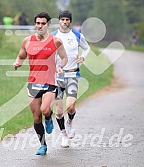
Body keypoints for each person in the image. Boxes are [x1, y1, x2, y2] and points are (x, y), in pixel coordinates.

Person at [13, 12, 67, 155]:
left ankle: (49, 118)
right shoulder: (27, 41)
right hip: (33, 82)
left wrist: (61, 66)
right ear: (35, 24)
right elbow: (21, 55)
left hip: (50, 82)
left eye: (43, 23)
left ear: (48, 25)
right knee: (36, 117)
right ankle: (43, 145)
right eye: (38, 23)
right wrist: (18, 62)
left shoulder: (56, 41)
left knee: (45, 110)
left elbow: (64, 57)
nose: (40, 26)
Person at [51, 10, 90, 148]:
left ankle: (70, 123)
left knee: (70, 106)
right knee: (60, 110)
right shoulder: (53, 36)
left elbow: (86, 48)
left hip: (73, 74)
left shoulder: (77, 36)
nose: (65, 22)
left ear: (70, 21)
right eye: (63, 19)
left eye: (67, 20)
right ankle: (63, 135)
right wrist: (55, 67)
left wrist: (83, 57)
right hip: (58, 77)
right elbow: (47, 54)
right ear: (59, 21)